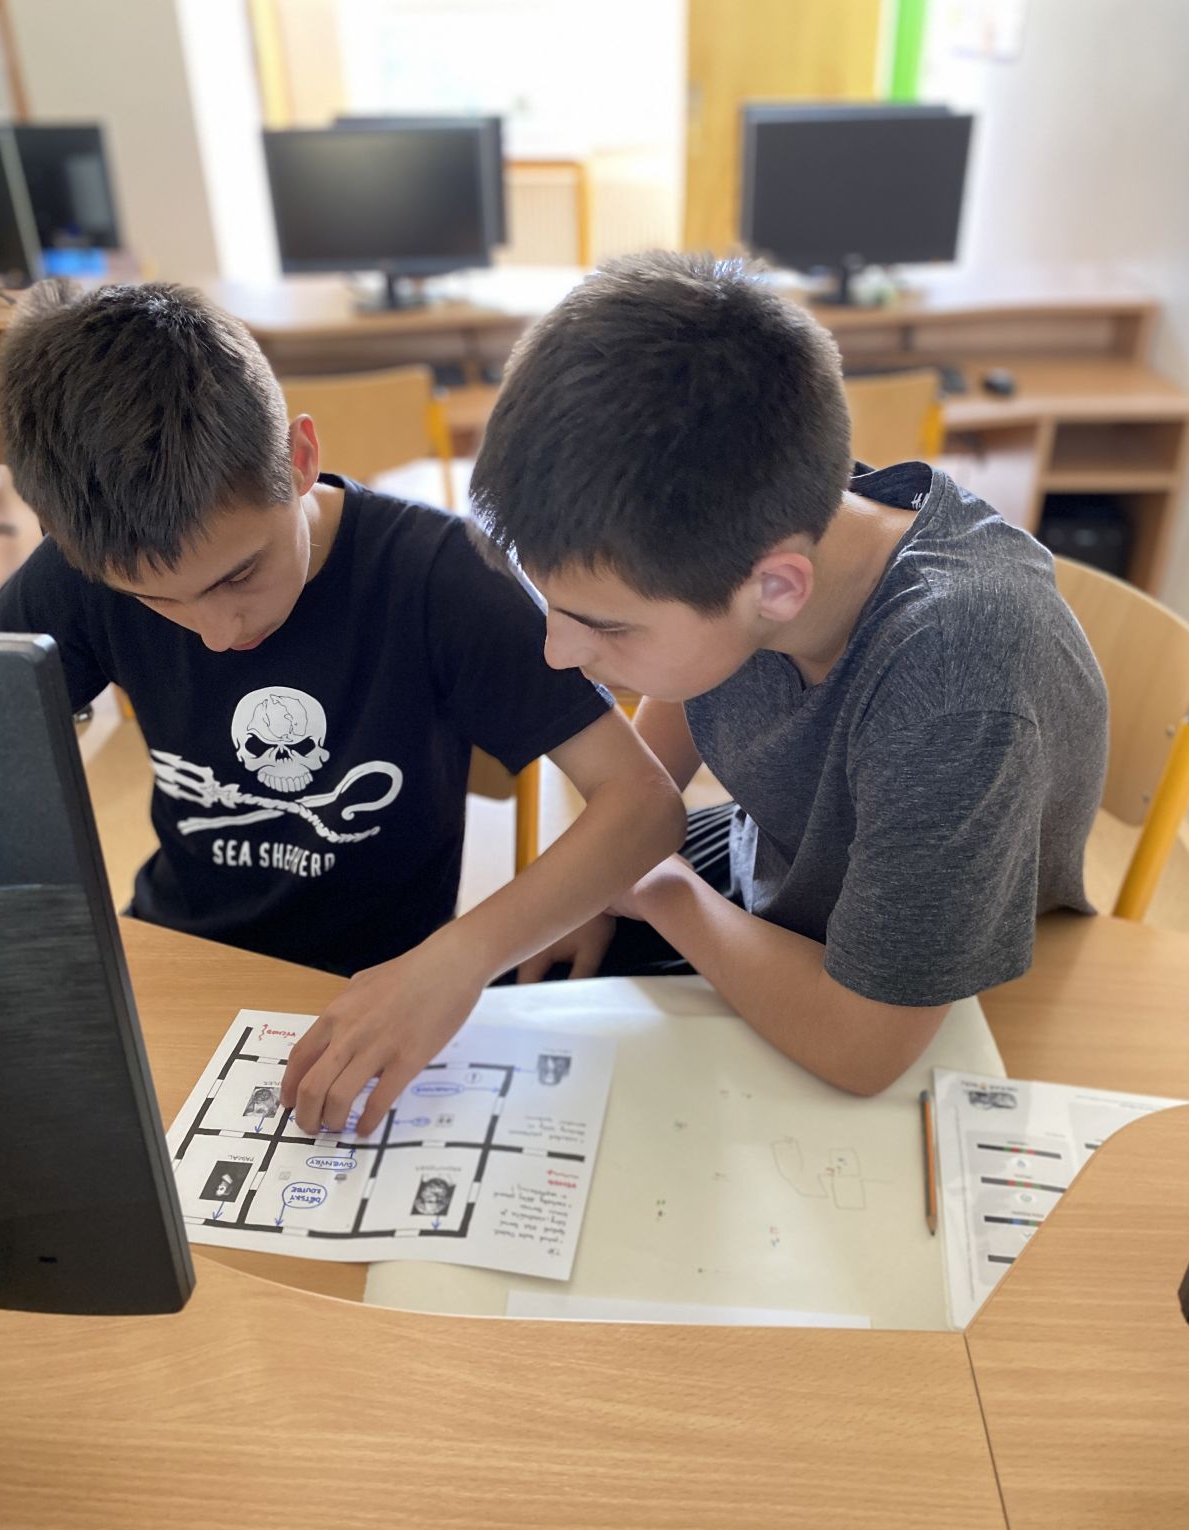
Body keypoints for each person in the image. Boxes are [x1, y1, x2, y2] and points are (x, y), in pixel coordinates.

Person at [0, 280, 684, 1134]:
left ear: (299, 457)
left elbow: (644, 804)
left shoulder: (440, 577)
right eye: (157, 602)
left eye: (240, 574)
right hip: (176, 955)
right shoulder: (82, 572)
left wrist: (464, 957)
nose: (217, 633)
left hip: (372, 988)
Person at [472, 252, 1108, 1095]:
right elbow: (660, 757)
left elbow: (862, 1051)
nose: (558, 652)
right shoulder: (757, 532)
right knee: (520, 1007)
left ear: (776, 588)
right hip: (781, 866)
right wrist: (600, 875)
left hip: (914, 977)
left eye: (607, 625)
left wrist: (654, 887)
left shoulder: (957, 680)